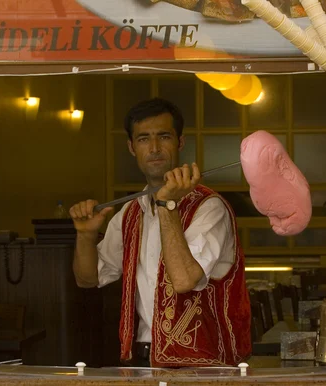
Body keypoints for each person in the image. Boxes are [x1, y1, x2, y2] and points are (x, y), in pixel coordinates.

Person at [70, 97, 252, 368]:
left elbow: (183, 280)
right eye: (143, 139)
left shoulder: (209, 207)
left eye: (163, 136)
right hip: (143, 358)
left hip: (204, 364)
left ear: (180, 142)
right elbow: (88, 280)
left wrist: (169, 204)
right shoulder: (130, 212)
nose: (154, 148)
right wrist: (85, 236)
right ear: (132, 147)